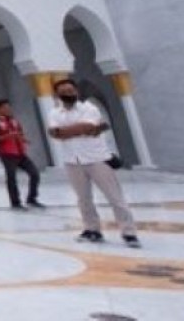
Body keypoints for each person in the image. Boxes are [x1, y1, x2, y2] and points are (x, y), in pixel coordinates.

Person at [48, 78, 140, 248]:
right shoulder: (55, 113)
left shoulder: (89, 108)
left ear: (76, 91)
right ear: (57, 94)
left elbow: (87, 127)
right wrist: (83, 130)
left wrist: (69, 131)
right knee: (83, 199)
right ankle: (92, 229)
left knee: (115, 197)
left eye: (71, 90)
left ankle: (129, 232)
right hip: (73, 161)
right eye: (64, 92)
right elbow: (55, 133)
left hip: (97, 159)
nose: (68, 94)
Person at [0, 99, 44, 210]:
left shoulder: (15, 121)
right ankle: (15, 202)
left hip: (20, 152)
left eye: (9, 107)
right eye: (4, 107)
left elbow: (19, 133)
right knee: (11, 177)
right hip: (7, 153)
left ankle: (31, 198)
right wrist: (8, 137)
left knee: (34, 173)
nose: (8, 109)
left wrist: (24, 140)